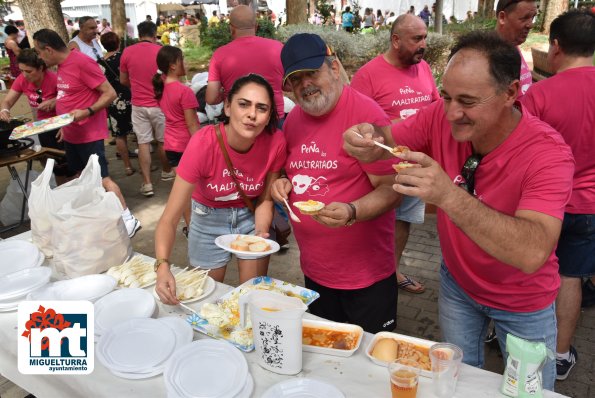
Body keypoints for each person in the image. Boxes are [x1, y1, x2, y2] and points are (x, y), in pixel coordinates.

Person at [343, 31, 574, 390]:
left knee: (531, 393)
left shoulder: (548, 154)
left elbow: (532, 252)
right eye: (446, 96)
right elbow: (388, 139)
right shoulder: (440, 115)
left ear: (511, 93)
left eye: (467, 101)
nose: (451, 113)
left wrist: (448, 195)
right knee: (455, 385)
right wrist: (367, 137)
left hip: (523, 300)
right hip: (458, 285)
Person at [271, 33, 401, 334]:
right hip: (316, 273)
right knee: (327, 357)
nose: (305, 84)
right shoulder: (293, 121)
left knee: (370, 364)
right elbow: (289, 173)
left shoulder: (367, 116)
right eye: (296, 79)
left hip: (366, 278)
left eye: (311, 73)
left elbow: (391, 189)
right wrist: (282, 183)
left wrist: (353, 211)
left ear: (333, 67)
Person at [154, 74, 286, 303]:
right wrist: (162, 266)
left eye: (262, 108)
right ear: (227, 107)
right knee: (207, 298)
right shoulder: (203, 144)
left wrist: (260, 234)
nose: (252, 114)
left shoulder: (276, 142)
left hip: (250, 217)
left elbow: (265, 199)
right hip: (207, 219)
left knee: (251, 297)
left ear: (268, 116)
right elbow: (169, 218)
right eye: (243, 104)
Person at [520, 10, 595, 381]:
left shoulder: (538, 94)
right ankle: (560, 355)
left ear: (556, 47)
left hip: (539, 204)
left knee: (528, 269)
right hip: (590, 206)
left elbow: (517, 150)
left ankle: (514, 339)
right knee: (570, 278)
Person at [351, 14, 440, 295]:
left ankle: (392, 271)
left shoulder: (423, 68)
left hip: (413, 169)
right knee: (374, 226)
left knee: (403, 224)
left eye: (425, 37)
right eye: (417, 39)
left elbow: (437, 108)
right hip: (379, 174)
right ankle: (366, 279)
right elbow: (355, 126)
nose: (423, 44)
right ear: (396, 40)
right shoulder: (367, 75)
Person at [32, 29, 142, 238]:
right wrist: (59, 111)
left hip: (88, 134)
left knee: (103, 179)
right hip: (72, 134)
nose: (39, 57)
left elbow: (110, 93)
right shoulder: (62, 66)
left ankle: (128, 218)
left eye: (39, 52)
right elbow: (74, 94)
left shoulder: (82, 62)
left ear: (48, 49)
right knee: (81, 178)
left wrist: (87, 112)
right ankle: (99, 219)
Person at [120, 21, 175, 198]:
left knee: (143, 142)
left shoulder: (127, 52)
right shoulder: (161, 51)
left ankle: (147, 183)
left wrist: (135, 86)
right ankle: (167, 171)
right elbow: (169, 78)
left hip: (138, 104)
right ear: (154, 34)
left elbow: (123, 80)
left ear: (139, 34)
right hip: (159, 103)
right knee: (162, 141)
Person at [0, 49, 71, 184]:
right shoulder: (22, 80)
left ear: (41, 68)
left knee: (70, 167)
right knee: (55, 167)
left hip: (62, 126)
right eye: (21, 71)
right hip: (42, 127)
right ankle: (64, 196)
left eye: (29, 71)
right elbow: (8, 101)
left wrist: (56, 101)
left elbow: (72, 99)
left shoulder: (55, 79)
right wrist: (4, 110)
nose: (24, 75)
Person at [206, 5, 285, 125]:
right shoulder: (278, 48)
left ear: (231, 28)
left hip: (239, 122)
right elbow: (288, 85)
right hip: (273, 118)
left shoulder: (220, 55)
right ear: (256, 26)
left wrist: (228, 93)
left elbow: (211, 98)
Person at [153, 45, 199, 234]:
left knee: (183, 191)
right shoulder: (183, 91)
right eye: (182, 59)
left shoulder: (161, 88)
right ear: (173, 65)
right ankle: (196, 229)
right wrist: (203, 145)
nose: (186, 63)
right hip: (186, 146)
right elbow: (192, 125)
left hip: (171, 145)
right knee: (194, 193)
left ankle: (190, 227)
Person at [99, 32, 136, 177]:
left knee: (120, 135)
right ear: (118, 43)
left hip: (112, 100)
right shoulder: (124, 57)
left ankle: (127, 167)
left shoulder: (100, 63)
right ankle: (147, 165)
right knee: (138, 132)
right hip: (130, 96)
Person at [495, 0, 538, 96]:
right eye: (525, 18)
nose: (531, 25)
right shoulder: (487, 55)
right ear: (502, 17)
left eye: (533, 17)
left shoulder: (513, 45)